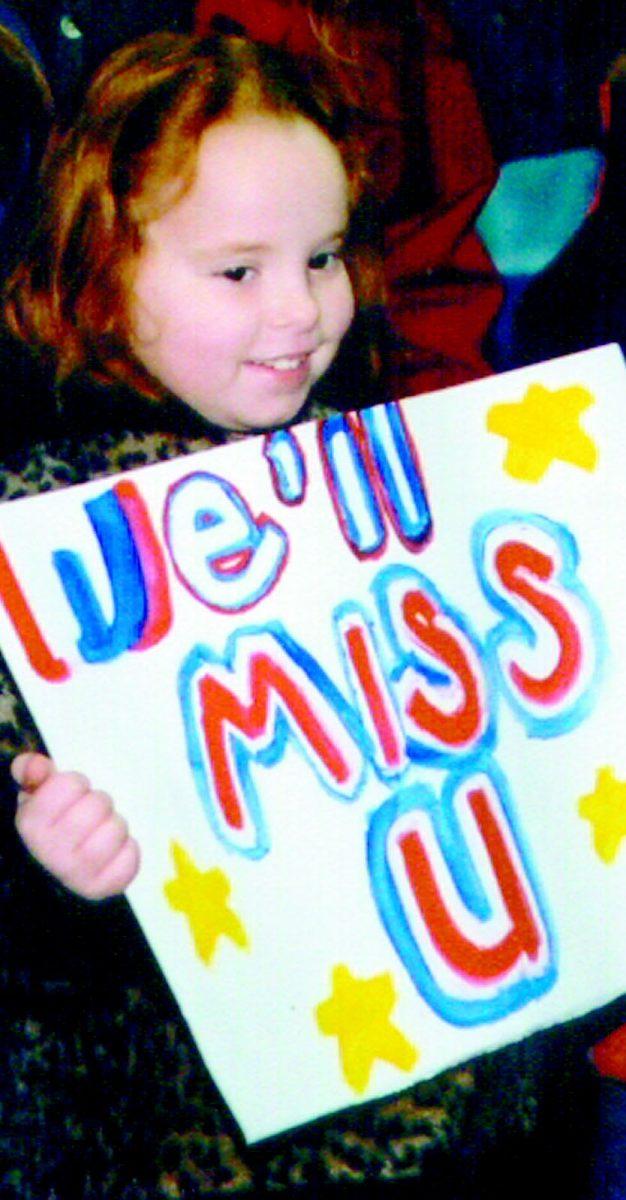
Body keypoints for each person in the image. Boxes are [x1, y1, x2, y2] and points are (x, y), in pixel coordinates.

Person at [193, 0, 504, 401]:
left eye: (321, 260)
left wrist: (443, 422)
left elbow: (434, 269)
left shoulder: (376, 35)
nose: (298, 309)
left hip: (353, 393)